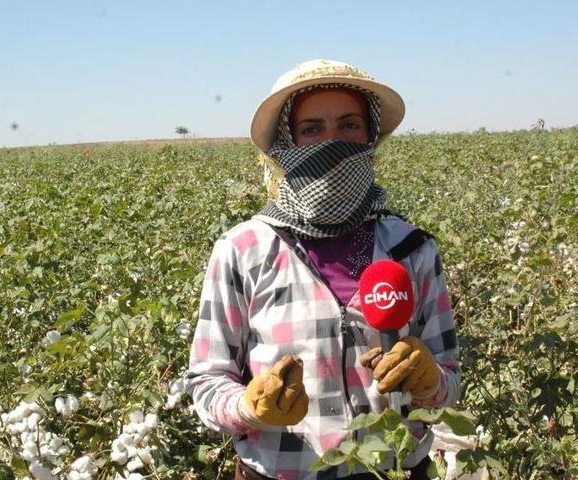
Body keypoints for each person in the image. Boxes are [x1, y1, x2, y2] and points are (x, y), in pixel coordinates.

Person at [185, 59, 461, 480]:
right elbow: (207, 383)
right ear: (287, 144)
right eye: (312, 129)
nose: (332, 143)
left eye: (349, 126)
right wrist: (249, 406)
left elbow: (449, 379)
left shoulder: (411, 248)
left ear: (369, 138)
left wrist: (430, 383)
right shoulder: (243, 251)